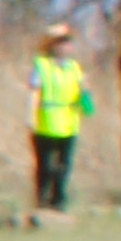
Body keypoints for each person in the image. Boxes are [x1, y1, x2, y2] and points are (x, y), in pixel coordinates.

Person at [33, 21, 85, 215]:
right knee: (46, 165)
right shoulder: (42, 65)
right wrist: (30, 118)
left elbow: (82, 92)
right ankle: (42, 200)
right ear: (52, 45)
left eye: (67, 42)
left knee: (64, 165)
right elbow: (35, 92)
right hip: (46, 123)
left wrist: (86, 101)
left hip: (70, 123)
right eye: (60, 42)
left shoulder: (75, 68)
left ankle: (59, 201)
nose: (65, 46)